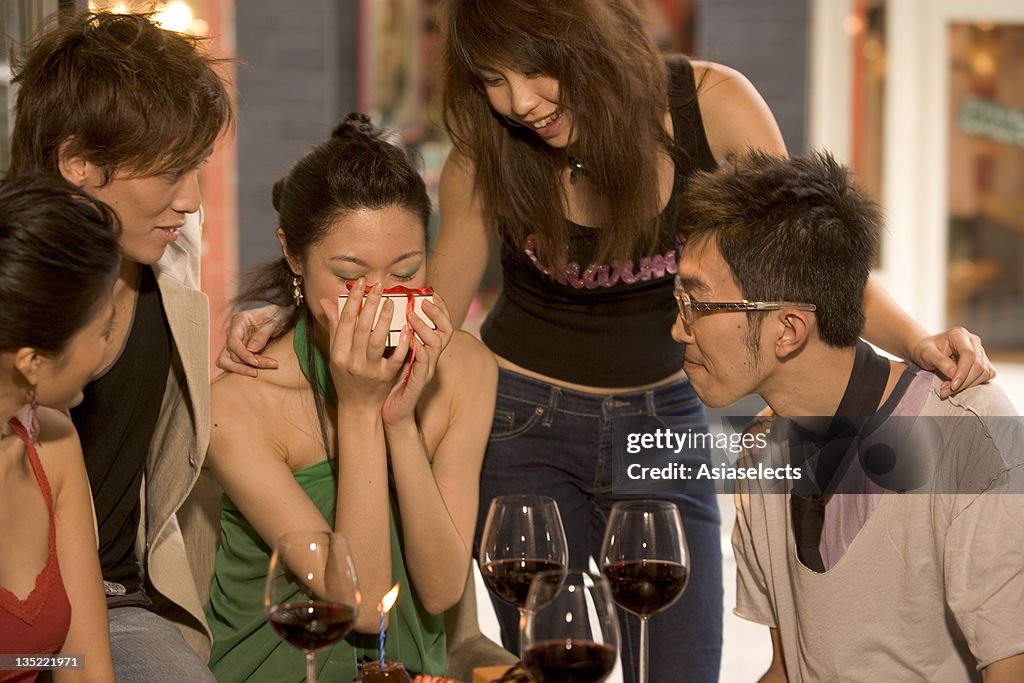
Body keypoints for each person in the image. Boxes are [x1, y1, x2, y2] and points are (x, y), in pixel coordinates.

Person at [219, 1, 994, 679]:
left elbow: (803, 256)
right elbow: (426, 310)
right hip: (523, 426)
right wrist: (289, 316)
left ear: (585, 36)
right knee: (558, 661)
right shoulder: (484, 157)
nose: (518, 101)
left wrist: (918, 338)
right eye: (492, 78)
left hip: (664, 416)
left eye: (535, 70)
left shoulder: (708, 106)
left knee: (682, 661)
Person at [671, 150, 1024, 682]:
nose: (679, 329)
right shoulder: (761, 452)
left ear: (788, 330)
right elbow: (787, 672)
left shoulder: (967, 431)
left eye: (696, 304)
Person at [204, 114, 497, 683]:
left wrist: (400, 421)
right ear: (293, 256)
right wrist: (360, 411)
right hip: (281, 663)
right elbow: (358, 606)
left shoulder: (465, 369)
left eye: (405, 270)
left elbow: (440, 590)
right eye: (348, 274)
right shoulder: (239, 404)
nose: (379, 299)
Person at [5, 9, 233, 681]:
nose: (191, 201)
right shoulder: (12, 282)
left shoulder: (169, 266)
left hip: (115, 597)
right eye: (172, 174)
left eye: (199, 169)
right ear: (78, 162)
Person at [0, 177, 121, 682]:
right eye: (102, 332)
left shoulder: (53, 442)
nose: (106, 352)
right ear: (31, 362)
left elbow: (81, 665)